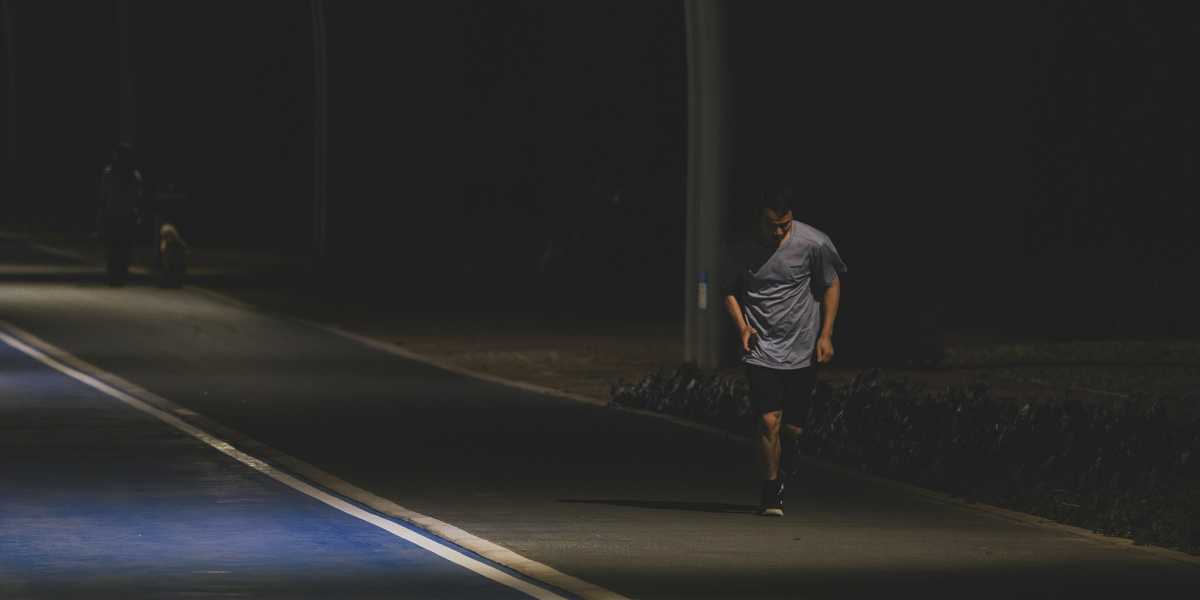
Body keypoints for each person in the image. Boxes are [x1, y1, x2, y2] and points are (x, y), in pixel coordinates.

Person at [720, 187, 847, 516]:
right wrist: (743, 328)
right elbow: (729, 291)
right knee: (768, 422)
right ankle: (771, 490)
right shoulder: (740, 248)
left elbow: (832, 284)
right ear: (758, 219)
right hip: (761, 348)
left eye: (785, 225)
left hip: (803, 347)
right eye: (772, 225)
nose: (779, 232)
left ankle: (790, 448)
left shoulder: (814, 243)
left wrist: (827, 334)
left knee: (792, 429)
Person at [97, 142, 144, 284]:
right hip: (124, 214)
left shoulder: (110, 173)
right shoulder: (133, 175)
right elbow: (137, 196)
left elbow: (103, 195)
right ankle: (120, 272)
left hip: (115, 213)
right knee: (122, 245)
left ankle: (115, 272)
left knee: (115, 245)